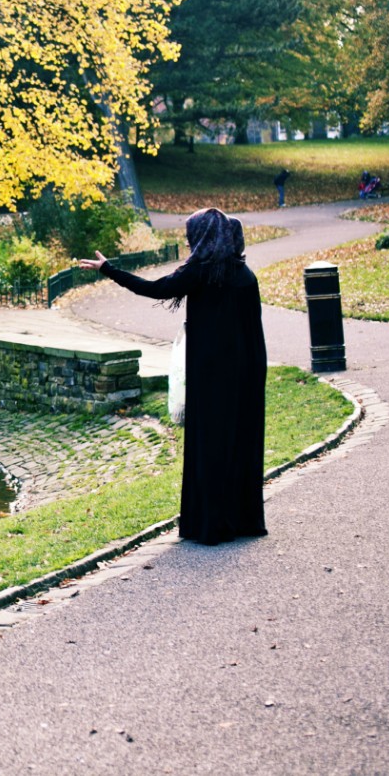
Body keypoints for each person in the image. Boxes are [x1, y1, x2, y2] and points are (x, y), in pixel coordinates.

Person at [78, 207, 268, 545]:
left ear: (203, 237)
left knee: (209, 444)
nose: (187, 241)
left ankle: (210, 524)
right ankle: (242, 519)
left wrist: (108, 269)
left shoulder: (200, 273)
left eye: (191, 236)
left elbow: (154, 289)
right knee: (240, 440)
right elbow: (254, 331)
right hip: (246, 371)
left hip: (210, 373)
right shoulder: (244, 274)